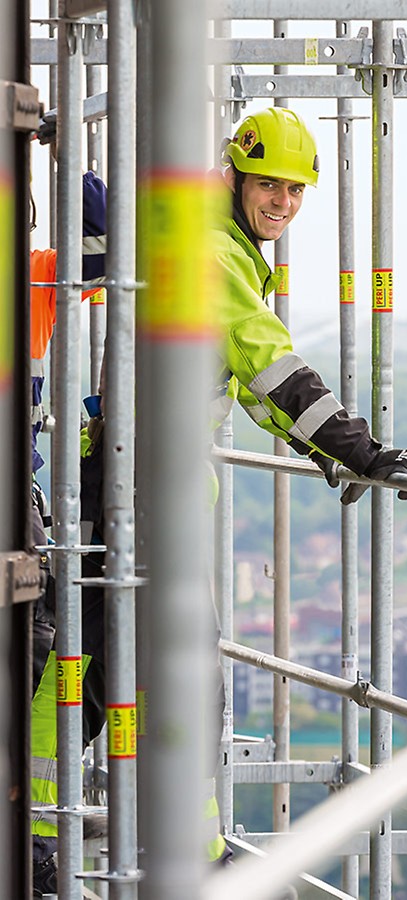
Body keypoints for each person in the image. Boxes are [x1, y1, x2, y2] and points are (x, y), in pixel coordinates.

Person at [215, 106, 407, 502]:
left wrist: (321, 447)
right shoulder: (213, 252)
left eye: (295, 189)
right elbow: (274, 371)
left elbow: (252, 389)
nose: (283, 203)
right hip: (143, 471)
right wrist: (365, 453)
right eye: (268, 184)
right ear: (233, 178)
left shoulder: (219, 242)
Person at [30, 166, 107, 898]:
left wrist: (75, 169)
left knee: (38, 650)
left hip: (11, 497)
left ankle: (24, 834)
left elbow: (107, 249)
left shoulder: (35, 283)